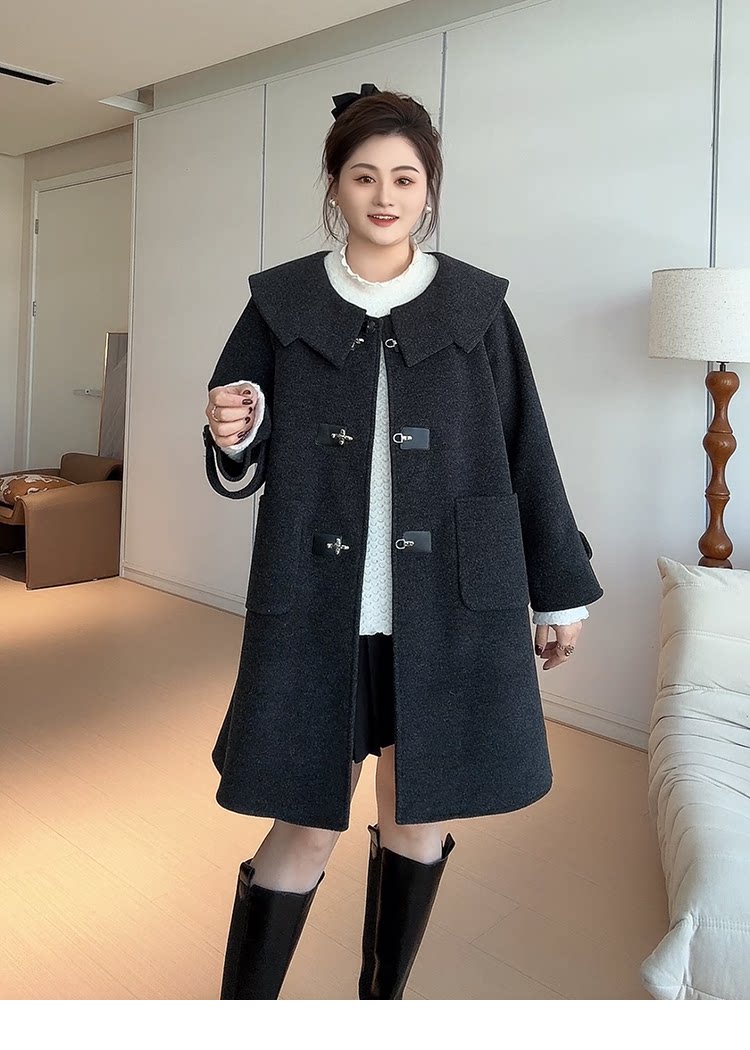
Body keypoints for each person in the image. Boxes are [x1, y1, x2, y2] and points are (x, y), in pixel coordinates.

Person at [202, 84, 604, 1000]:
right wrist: (233, 432)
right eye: (364, 176)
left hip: (452, 605)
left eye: (406, 178)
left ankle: (379, 1009)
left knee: (418, 819)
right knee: (305, 824)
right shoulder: (280, 304)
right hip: (320, 610)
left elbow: (527, 450)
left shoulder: (476, 307)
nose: (385, 196)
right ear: (334, 186)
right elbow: (237, 442)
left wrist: (560, 591)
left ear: (429, 189)